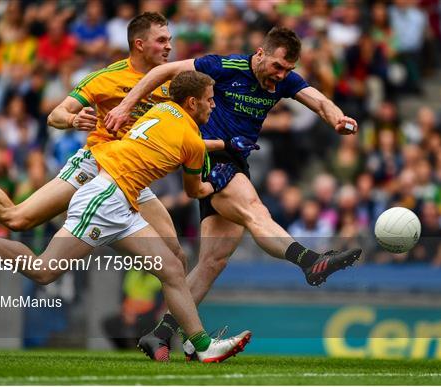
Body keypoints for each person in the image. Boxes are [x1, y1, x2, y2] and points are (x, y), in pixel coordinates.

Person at [0, 70, 251, 363]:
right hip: (105, 199)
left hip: (121, 199)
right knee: (42, 270)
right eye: (209, 101)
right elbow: (195, 189)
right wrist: (220, 183)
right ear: (192, 102)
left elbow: (185, 142)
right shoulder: (189, 136)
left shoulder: (163, 110)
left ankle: (201, 345)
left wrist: (220, 143)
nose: (213, 106)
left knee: (172, 269)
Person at [105, 26, 362, 361]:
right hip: (210, 154)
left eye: (288, 71)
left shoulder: (283, 81)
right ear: (260, 53)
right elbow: (163, 71)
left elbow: (317, 98)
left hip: (236, 158)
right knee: (256, 210)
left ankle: (161, 333)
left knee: (213, 261)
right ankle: (311, 262)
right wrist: (126, 106)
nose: (281, 76)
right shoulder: (225, 67)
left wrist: (337, 118)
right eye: (277, 67)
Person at [0, 13, 187, 266]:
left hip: (131, 177)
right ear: (139, 44)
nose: (169, 47)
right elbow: (56, 114)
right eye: (161, 40)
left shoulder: (173, 82)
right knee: (17, 218)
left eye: (170, 40)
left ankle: (173, 322)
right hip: (96, 166)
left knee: (174, 254)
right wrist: (73, 120)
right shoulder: (107, 78)